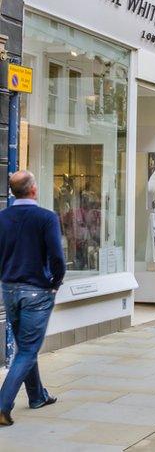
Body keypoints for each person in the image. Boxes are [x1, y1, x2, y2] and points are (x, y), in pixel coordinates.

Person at [0, 171, 64, 426]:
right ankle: (3, 405)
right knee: (27, 348)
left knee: (25, 346)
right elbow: (57, 256)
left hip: (9, 289)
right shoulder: (46, 218)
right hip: (37, 290)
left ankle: (37, 395)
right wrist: (56, 282)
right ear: (33, 190)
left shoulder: (2, 218)